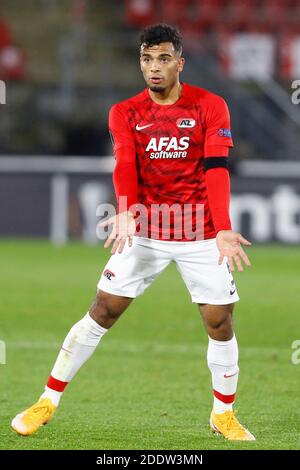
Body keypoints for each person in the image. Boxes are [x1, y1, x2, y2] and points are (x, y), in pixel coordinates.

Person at [12, 23, 255, 441]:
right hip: (145, 232)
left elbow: (216, 169)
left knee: (220, 322)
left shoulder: (210, 106)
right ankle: (46, 401)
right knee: (102, 311)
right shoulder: (125, 112)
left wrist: (223, 229)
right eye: (146, 59)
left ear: (180, 62)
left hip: (199, 234)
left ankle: (223, 414)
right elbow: (125, 165)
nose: (154, 67)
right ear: (140, 63)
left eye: (163, 58)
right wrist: (126, 211)